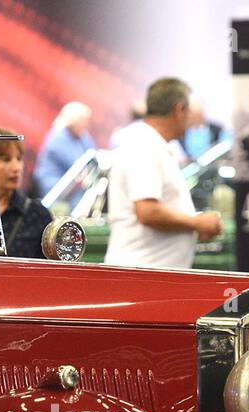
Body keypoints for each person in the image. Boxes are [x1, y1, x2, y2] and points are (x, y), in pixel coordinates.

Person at [103, 77, 222, 270]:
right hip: (141, 275)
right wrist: (196, 222)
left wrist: (192, 225)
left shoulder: (152, 145)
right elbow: (148, 212)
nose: (190, 120)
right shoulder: (144, 146)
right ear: (178, 110)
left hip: (147, 273)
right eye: (189, 111)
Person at [33, 102, 96, 197]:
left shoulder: (82, 136)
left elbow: (94, 155)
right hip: (52, 188)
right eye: (84, 121)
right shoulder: (57, 137)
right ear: (74, 121)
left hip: (69, 190)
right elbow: (76, 165)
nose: (86, 125)